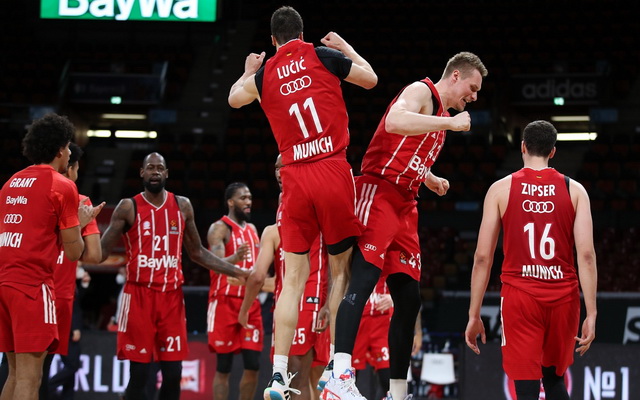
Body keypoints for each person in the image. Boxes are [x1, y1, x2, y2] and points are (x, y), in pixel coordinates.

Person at [228, 5, 378, 399]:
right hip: (332, 169)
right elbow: (371, 79)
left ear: (273, 40)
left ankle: (277, 375)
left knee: (291, 280)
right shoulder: (323, 56)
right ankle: (336, 370)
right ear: (301, 33)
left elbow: (233, 100)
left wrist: (247, 70)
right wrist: (345, 48)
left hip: (294, 176)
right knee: (340, 270)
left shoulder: (264, 74)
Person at [324, 52, 488, 400]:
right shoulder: (421, 91)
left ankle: (396, 393)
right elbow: (395, 122)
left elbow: (407, 150)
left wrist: (428, 177)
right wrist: (449, 125)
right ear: (455, 76)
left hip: (406, 202)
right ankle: (338, 376)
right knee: (363, 280)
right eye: (472, 88)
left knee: (409, 299)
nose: (474, 96)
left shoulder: (442, 116)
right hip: (379, 190)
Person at [99, 152, 250, 400]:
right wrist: (81, 231)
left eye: (160, 168)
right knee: (139, 375)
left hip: (171, 298)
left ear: (167, 173)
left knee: (173, 374)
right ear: (142, 172)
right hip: (139, 296)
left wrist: (238, 271)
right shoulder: (128, 207)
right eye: (150, 168)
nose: (155, 172)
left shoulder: (182, 205)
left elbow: (197, 252)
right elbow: (101, 252)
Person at [464, 120, 597, 400]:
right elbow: (586, 256)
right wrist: (592, 313)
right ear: (553, 151)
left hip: (520, 297)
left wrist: (474, 314)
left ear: (523, 147)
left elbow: (483, 257)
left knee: (525, 386)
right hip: (563, 296)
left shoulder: (500, 189)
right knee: (554, 379)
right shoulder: (575, 190)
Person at [0, 113, 103, 400]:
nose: (70, 153)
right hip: (33, 286)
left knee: (13, 374)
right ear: (59, 150)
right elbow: (74, 252)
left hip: (4, 283)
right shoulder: (63, 186)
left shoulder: (11, 183)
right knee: (30, 379)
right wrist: (80, 224)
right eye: (68, 147)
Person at [240, 155, 330, 400]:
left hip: (304, 304)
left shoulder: (278, 230)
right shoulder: (278, 229)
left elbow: (258, 277)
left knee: (296, 378)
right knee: (316, 380)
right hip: (308, 303)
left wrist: (244, 308)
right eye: (277, 167)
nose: (280, 172)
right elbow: (269, 280)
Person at [44, 142, 102, 400]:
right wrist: (79, 224)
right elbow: (94, 255)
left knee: (15, 368)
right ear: (71, 168)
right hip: (57, 297)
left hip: (23, 287)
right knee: (40, 371)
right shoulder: (81, 202)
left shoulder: (32, 193)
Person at [206, 182, 262, 400]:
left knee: (253, 365)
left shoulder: (253, 230)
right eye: (243, 198)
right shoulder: (219, 228)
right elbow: (214, 264)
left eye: (250, 198)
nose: (248, 202)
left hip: (250, 303)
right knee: (224, 366)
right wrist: (235, 258)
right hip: (225, 302)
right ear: (230, 202)